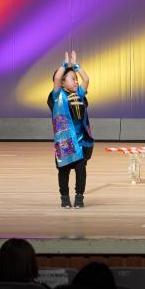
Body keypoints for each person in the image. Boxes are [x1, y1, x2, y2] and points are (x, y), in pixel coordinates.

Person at [48, 51, 94, 209]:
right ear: (62, 82)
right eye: (72, 78)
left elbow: (86, 79)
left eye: (76, 78)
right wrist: (64, 65)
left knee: (81, 171)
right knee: (63, 171)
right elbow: (56, 78)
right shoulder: (57, 96)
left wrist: (76, 66)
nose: (76, 81)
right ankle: (65, 198)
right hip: (65, 142)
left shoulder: (79, 94)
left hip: (80, 142)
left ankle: (79, 197)